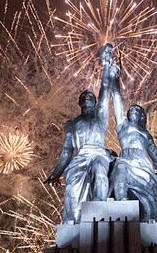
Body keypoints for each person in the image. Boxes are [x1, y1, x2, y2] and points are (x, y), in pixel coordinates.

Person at [44, 44, 117, 222]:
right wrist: (56, 173)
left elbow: (105, 89)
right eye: (84, 98)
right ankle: (74, 221)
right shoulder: (71, 124)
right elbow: (67, 151)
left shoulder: (100, 117)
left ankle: (100, 215)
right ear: (80, 102)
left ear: (95, 102)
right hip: (80, 158)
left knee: (100, 171)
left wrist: (106, 64)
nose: (88, 99)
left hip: (99, 154)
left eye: (91, 98)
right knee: (72, 190)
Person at [108, 65, 157, 221]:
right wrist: (114, 77)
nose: (134, 109)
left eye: (138, 109)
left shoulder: (146, 135)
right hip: (126, 160)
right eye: (132, 109)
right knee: (120, 167)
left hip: (144, 166)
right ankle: (122, 206)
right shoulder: (123, 125)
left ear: (142, 116)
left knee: (149, 207)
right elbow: (117, 98)